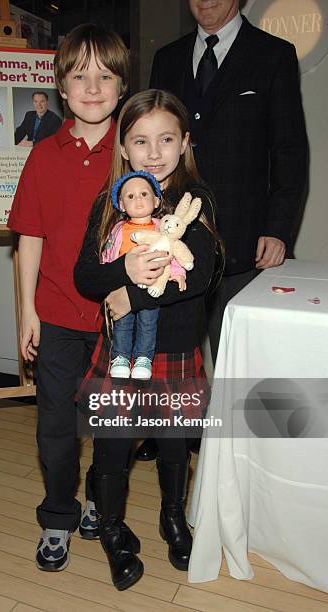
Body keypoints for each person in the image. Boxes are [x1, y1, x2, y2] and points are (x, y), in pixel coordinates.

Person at [136, 0, 308, 462]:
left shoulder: (274, 54)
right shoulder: (167, 58)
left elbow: (289, 150)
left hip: (242, 237)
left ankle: (235, 452)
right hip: (170, 236)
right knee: (168, 340)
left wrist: (278, 228)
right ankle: (169, 431)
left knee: (232, 350)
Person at [74, 89, 222, 590]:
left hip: (176, 349)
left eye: (165, 140)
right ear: (123, 147)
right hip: (120, 355)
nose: (154, 153)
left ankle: (172, 518)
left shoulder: (194, 201)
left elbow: (200, 274)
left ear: (184, 143)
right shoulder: (109, 203)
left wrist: (131, 298)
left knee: (175, 445)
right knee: (113, 447)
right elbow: (85, 276)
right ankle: (113, 530)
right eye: (141, 141)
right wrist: (123, 269)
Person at [7, 23, 129, 572]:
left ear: (123, 86)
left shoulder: (132, 156)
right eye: (81, 75)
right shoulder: (42, 156)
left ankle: (102, 502)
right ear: (61, 86)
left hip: (115, 320)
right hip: (55, 315)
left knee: (109, 425)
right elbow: (28, 237)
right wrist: (26, 310)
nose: (93, 87)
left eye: (105, 75)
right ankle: (58, 514)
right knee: (55, 424)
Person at [104, 170, 186, 380]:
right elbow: (107, 255)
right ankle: (121, 357)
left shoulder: (163, 229)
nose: (138, 200)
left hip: (152, 285)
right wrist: (107, 278)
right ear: (121, 205)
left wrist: (177, 274)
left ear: (157, 201)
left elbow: (173, 252)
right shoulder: (117, 229)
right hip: (123, 286)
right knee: (122, 323)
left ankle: (143, 358)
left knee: (148, 323)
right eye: (130, 196)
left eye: (144, 194)